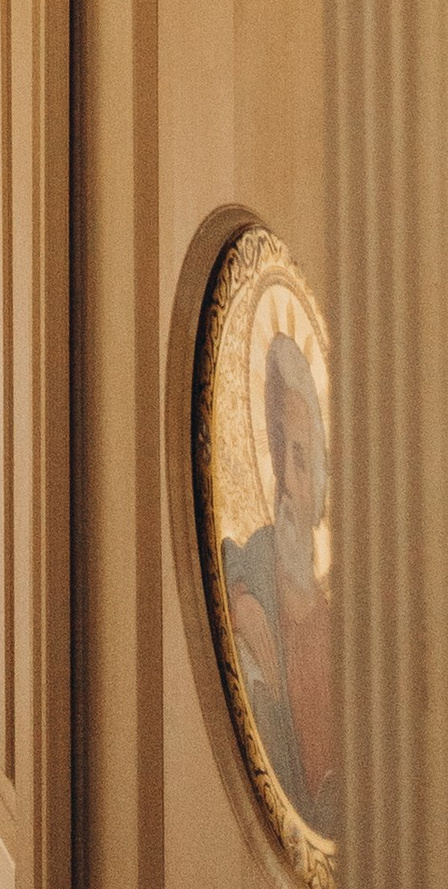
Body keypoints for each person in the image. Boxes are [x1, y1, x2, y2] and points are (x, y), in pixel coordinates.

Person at [222, 329, 339, 830]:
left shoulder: (336, 631)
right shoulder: (256, 556)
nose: (287, 482)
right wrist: (241, 602)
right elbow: (227, 560)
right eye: (281, 450)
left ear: (321, 484)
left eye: (302, 460)